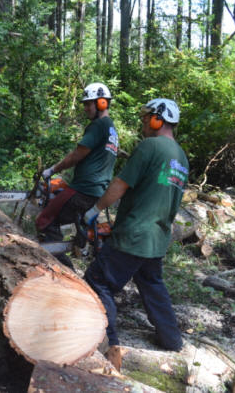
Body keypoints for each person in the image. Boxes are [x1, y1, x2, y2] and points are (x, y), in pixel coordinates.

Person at [83, 98, 188, 370]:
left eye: (146, 118)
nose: (143, 123)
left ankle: (108, 342)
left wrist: (94, 209)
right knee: (152, 283)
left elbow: (120, 184)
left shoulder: (149, 146)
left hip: (134, 235)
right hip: (156, 237)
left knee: (98, 280)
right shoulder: (180, 156)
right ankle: (172, 340)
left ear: (158, 120)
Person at [35, 82, 119, 268]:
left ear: (102, 104)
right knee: (59, 208)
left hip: (83, 190)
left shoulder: (99, 125)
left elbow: (77, 154)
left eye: (89, 104)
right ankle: (76, 244)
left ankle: (63, 267)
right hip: (97, 192)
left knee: (44, 220)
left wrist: (53, 170)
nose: (86, 108)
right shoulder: (111, 128)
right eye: (85, 104)